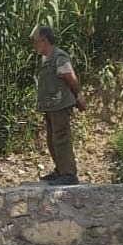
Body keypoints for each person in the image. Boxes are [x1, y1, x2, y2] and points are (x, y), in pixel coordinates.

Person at [32, 25, 84, 185]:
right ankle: (60, 170)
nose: (35, 46)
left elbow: (71, 78)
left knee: (61, 139)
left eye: (36, 42)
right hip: (50, 106)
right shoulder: (46, 59)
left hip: (60, 105)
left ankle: (69, 174)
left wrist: (78, 96)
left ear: (45, 40)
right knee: (52, 140)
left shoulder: (59, 57)